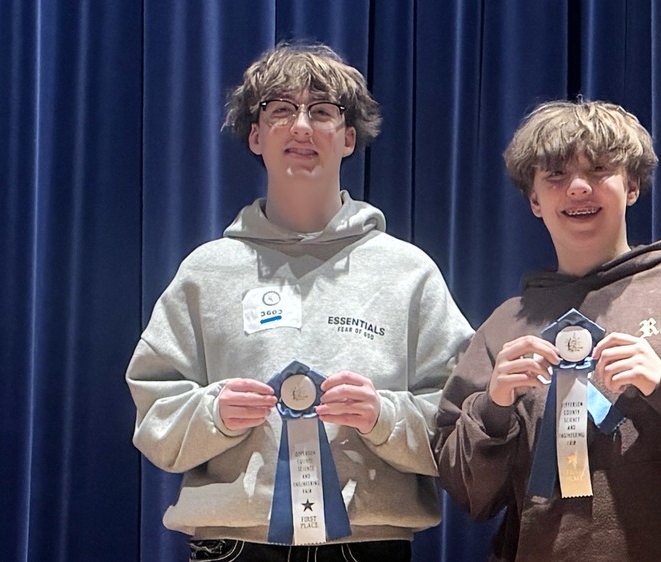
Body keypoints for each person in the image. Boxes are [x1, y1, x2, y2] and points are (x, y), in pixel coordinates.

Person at [127, 43, 473, 562]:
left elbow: (459, 416)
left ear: (349, 137)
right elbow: (155, 410)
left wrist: (383, 416)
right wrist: (215, 413)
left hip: (368, 546)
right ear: (256, 135)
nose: (302, 127)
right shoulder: (206, 271)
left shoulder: (408, 272)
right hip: (234, 547)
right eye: (282, 110)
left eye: (323, 111)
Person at [434, 99, 661, 562]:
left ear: (631, 186)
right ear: (534, 200)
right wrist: (493, 410)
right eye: (555, 175)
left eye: (598, 170)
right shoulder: (504, 328)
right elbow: (467, 492)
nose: (578, 187)